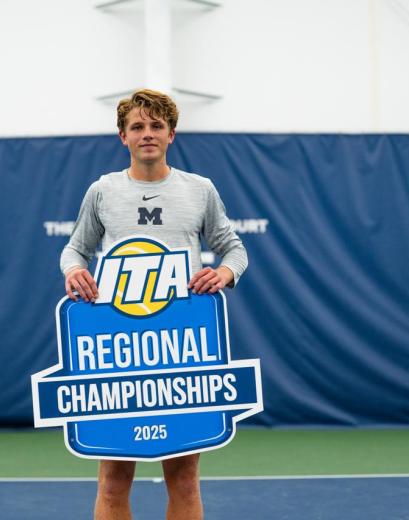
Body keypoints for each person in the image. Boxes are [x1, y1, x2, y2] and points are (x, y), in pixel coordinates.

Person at [59, 88, 248, 520]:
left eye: (156, 126)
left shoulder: (200, 190)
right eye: (137, 126)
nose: (147, 134)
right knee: (113, 480)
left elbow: (234, 251)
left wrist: (223, 273)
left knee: (183, 478)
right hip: (118, 353)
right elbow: (74, 250)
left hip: (182, 350)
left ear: (172, 134)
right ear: (122, 137)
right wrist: (74, 272)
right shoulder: (103, 190)